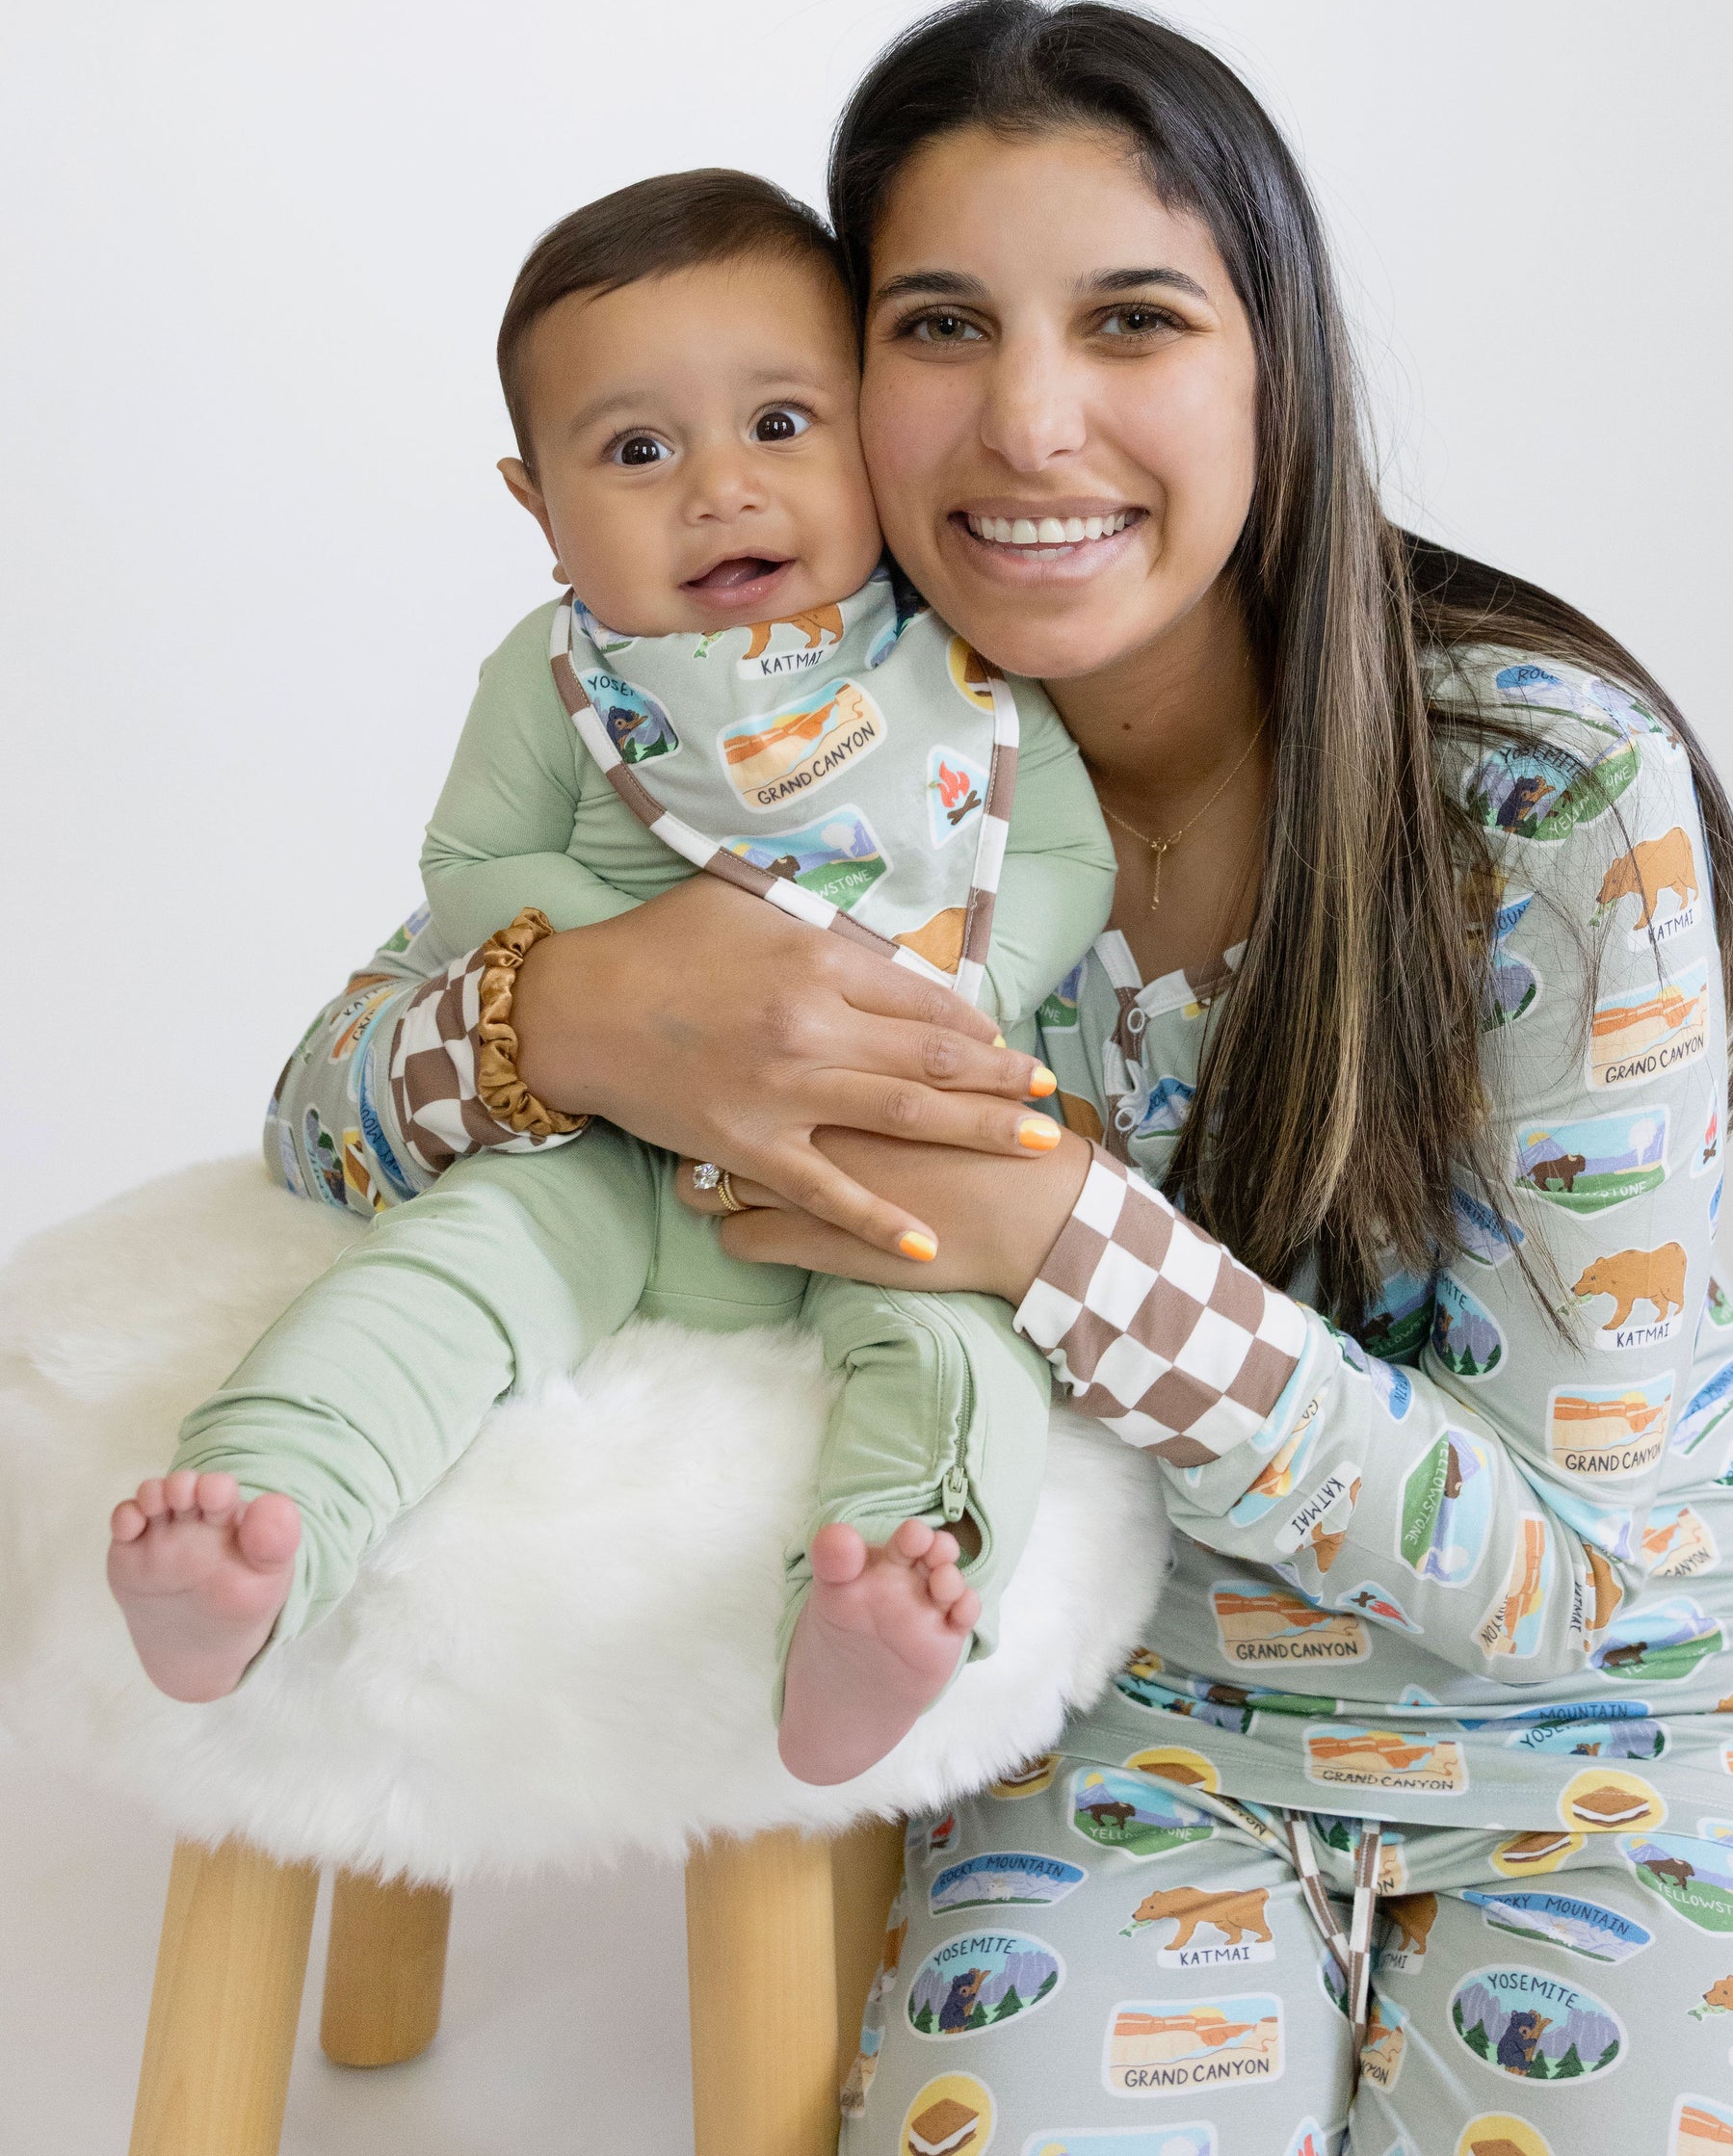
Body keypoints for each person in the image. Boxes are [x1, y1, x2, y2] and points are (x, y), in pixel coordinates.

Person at [125, 0, 1733, 2150]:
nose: (1031, 422)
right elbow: (315, 1106)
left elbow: (1555, 1568)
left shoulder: (1544, 796)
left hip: (1630, 1735)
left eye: (1132, 318)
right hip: (1113, 1743)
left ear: (1274, 369)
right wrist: (577, 1012)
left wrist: (1056, 1238)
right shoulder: (794, 741)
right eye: (941, 324)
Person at [103, 168, 1116, 1787]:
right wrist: (639, 954)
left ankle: (894, 1597)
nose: (721, 489)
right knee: (449, 1274)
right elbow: (468, 871)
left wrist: (962, 998)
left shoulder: (949, 664)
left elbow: (1056, 855)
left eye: (782, 424)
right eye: (638, 451)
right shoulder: (558, 672)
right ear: (536, 502)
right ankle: (261, 1520)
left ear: (869, 427)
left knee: (955, 1350)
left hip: (878, 1143)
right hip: (602, 1153)